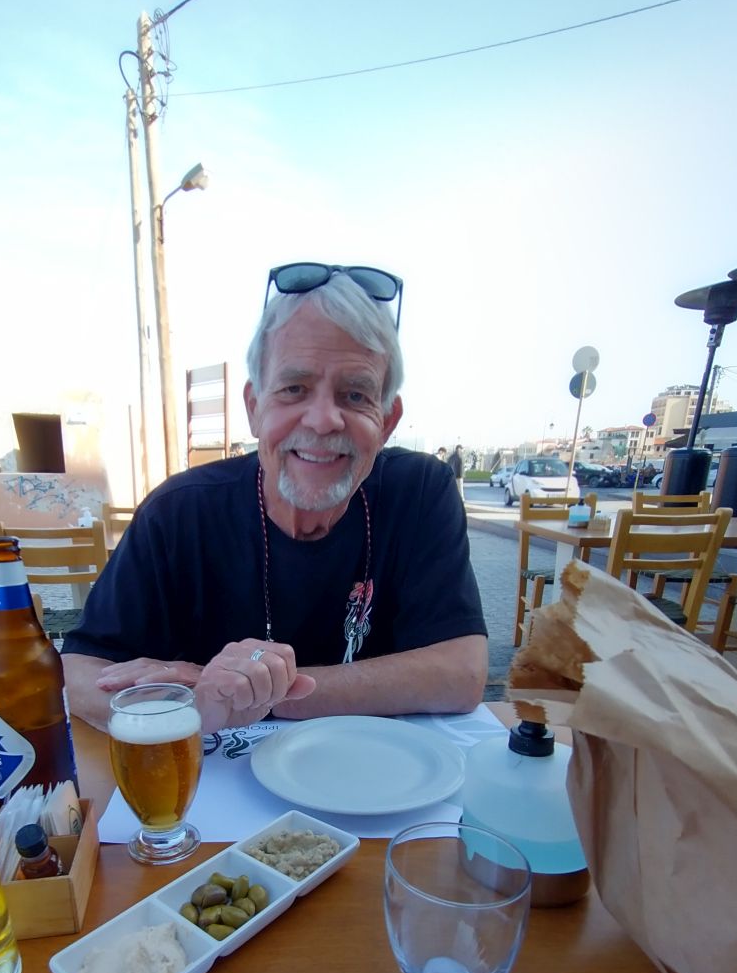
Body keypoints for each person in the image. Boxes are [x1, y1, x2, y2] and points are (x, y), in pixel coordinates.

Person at [62, 265, 488, 734]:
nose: (323, 420)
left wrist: (250, 693)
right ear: (254, 407)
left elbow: (462, 672)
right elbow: (78, 674)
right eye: (294, 389)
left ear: (387, 422)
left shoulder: (421, 492)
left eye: (355, 395)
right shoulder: (178, 512)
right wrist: (192, 705)